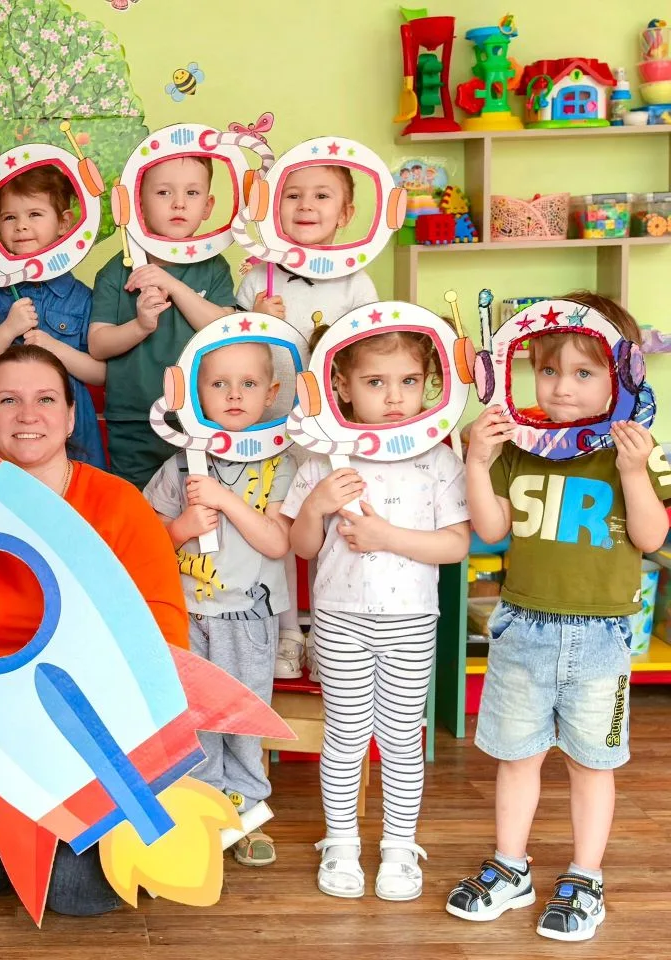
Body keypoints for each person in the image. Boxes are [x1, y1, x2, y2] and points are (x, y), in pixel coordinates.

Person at [0, 345, 187, 916]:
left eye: (46, 399)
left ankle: (44, 834)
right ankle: (18, 831)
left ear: (71, 418)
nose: (28, 415)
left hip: (98, 728)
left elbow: (165, 631)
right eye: (8, 400)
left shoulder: (118, 504)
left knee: (77, 893)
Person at [448, 293, 671, 942]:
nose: (562, 388)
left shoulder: (633, 451)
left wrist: (633, 470)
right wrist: (477, 462)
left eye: (583, 372)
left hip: (602, 637)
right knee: (516, 757)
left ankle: (585, 875)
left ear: (624, 376)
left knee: (591, 764)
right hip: (523, 627)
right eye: (548, 371)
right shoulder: (521, 446)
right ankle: (510, 865)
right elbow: (491, 529)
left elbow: (652, 536)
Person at [281, 327, 469, 902]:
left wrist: (386, 536)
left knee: (402, 737)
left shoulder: (438, 459)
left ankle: (398, 845)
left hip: (411, 621)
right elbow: (302, 547)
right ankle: (341, 842)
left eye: (409, 381)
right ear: (342, 386)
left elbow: (456, 545)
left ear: (429, 385)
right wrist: (316, 505)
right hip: (340, 619)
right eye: (375, 382)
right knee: (345, 734)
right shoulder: (323, 459)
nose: (394, 397)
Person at [144, 341, 293, 867]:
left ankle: (248, 812)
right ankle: (206, 811)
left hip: (247, 618)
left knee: (243, 717)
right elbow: (148, 540)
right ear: (196, 394)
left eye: (248, 384)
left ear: (271, 393)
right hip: (188, 615)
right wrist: (183, 526)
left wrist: (225, 499)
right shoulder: (180, 465)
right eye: (219, 384)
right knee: (196, 716)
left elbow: (277, 542)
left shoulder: (280, 464)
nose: (233, 394)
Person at [238, 165, 379, 685]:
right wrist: (256, 318)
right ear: (274, 210)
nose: (305, 205)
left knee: (325, 530)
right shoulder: (257, 277)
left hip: (329, 430)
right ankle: (286, 634)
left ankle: (325, 631)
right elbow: (235, 353)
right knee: (275, 530)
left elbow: (365, 353)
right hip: (268, 427)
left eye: (321, 196)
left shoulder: (356, 281)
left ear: (345, 214)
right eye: (292, 195)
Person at [88, 155, 236, 489]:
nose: (179, 203)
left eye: (192, 193)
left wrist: (173, 286)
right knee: (136, 504)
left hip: (199, 415)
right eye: (164, 192)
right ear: (139, 204)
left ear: (208, 206)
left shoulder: (214, 267)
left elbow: (223, 331)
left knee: (197, 500)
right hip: (133, 418)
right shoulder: (116, 271)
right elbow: (98, 345)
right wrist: (140, 325)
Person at [0, 165, 106, 469]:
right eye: (10, 217)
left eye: (34, 214)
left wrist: (55, 348)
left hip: (70, 423)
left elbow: (101, 374)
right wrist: (8, 329)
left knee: (75, 490)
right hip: (5, 420)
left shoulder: (82, 298)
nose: (21, 226)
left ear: (63, 223)